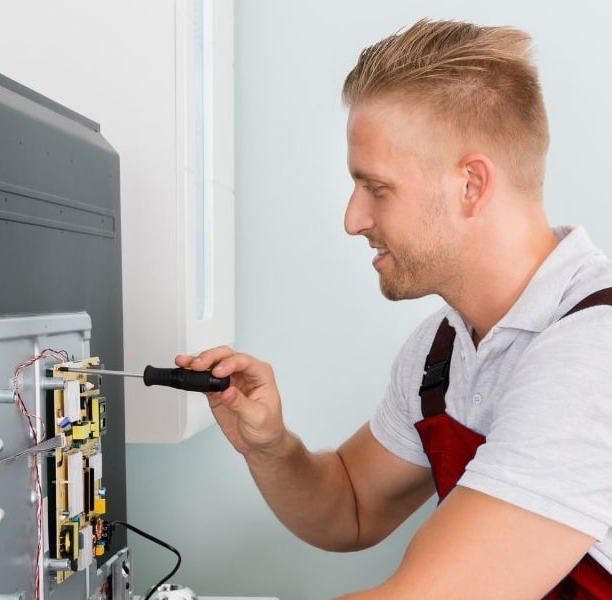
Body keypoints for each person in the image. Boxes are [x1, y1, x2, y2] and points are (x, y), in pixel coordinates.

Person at [176, 18, 612, 599]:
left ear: (471, 185)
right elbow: (351, 506)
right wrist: (271, 447)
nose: (353, 219)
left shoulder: (592, 352)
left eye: (377, 188)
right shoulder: (442, 350)